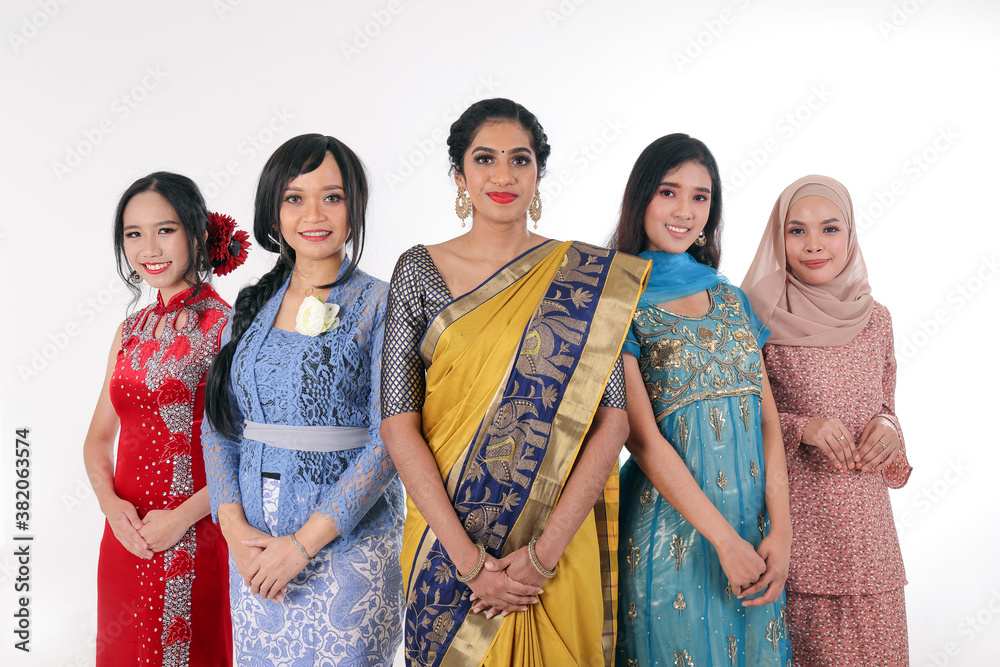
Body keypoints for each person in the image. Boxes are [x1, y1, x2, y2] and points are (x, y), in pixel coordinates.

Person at [380, 98, 649, 666]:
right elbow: (398, 426)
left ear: (538, 174)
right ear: (460, 175)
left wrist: (542, 557)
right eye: (485, 159)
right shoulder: (418, 270)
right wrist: (469, 563)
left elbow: (614, 422)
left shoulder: (584, 279)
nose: (502, 176)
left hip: (556, 546)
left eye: (519, 160)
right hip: (445, 550)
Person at [201, 133, 404, 665]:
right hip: (254, 556)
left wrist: (303, 545)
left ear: (355, 210)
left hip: (348, 548)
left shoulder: (383, 303)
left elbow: (391, 438)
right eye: (295, 197)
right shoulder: (250, 307)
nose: (313, 213)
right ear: (274, 211)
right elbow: (219, 425)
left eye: (332, 196)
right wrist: (234, 529)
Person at [612, 134, 793, 665]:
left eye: (701, 197)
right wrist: (723, 542)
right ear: (641, 198)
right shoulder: (617, 299)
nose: (685, 211)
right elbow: (642, 440)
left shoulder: (732, 298)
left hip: (756, 539)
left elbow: (768, 426)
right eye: (669, 192)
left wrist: (780, 533)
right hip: (674, 537)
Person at [741, 175, 911, 665]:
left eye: (830, 228)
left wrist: (890, 431)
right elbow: (735, 419)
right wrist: (802, 427)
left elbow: (885, 406)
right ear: (779, 237)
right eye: (796, 231)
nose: (814, 245)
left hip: (870, 542)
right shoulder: (755, 317)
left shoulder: (876, 318)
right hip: (795, 545)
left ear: (851, 234)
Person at [83, 171, 248, 666]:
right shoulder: (129, 330)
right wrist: (112, 507)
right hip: (124, 538)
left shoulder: (229, 327)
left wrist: (179, 519)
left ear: (198, 235)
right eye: (133, 234)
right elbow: (96, 439)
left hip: (194, 532)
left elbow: (247, 449)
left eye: (165, 230)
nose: (148, 248)